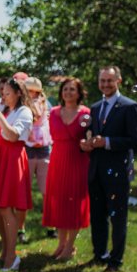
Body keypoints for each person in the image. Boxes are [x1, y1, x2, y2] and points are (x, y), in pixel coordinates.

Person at [80, 66, 137, 272]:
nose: (105, 84)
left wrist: (106, 142)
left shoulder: (129, 106)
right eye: (102, 80)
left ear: (119, 81)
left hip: (118, 171)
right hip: (96, 169)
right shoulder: (95, 107)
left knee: (118, 217)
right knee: (98, 215)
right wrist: (87, 144)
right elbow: (91, 133)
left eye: (109, 80)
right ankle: (99, 254)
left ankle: (115, 261)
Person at [0, 78, 37, 271]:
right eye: (2, 93)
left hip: (12, 159)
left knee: (5, 207)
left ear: (18, 93)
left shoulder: (24, 112)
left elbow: (13, 135)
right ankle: (5, 251)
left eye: (7, 93)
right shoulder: (6, 111)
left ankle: (12, 257)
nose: (3, 97)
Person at [43, 77, 91, 260]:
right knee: (59, 202)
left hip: (77, 160)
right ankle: (61, 244)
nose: (68, 92)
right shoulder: (54, 112)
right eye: (65, 89)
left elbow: (89, 135)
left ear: (79, 93)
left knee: (75, 202)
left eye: (72, 89)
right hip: (57, 159)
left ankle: (70, 245)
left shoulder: (85, 113)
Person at [24, 77, 54, 239]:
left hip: (43, 150)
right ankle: (20, 228)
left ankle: (51, 225)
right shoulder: (22, 106)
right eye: (29, 91)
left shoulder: (45, 104)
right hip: (27, 150)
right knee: (23, 191)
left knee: (47, 191)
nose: (32, 94)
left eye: (34, 91)